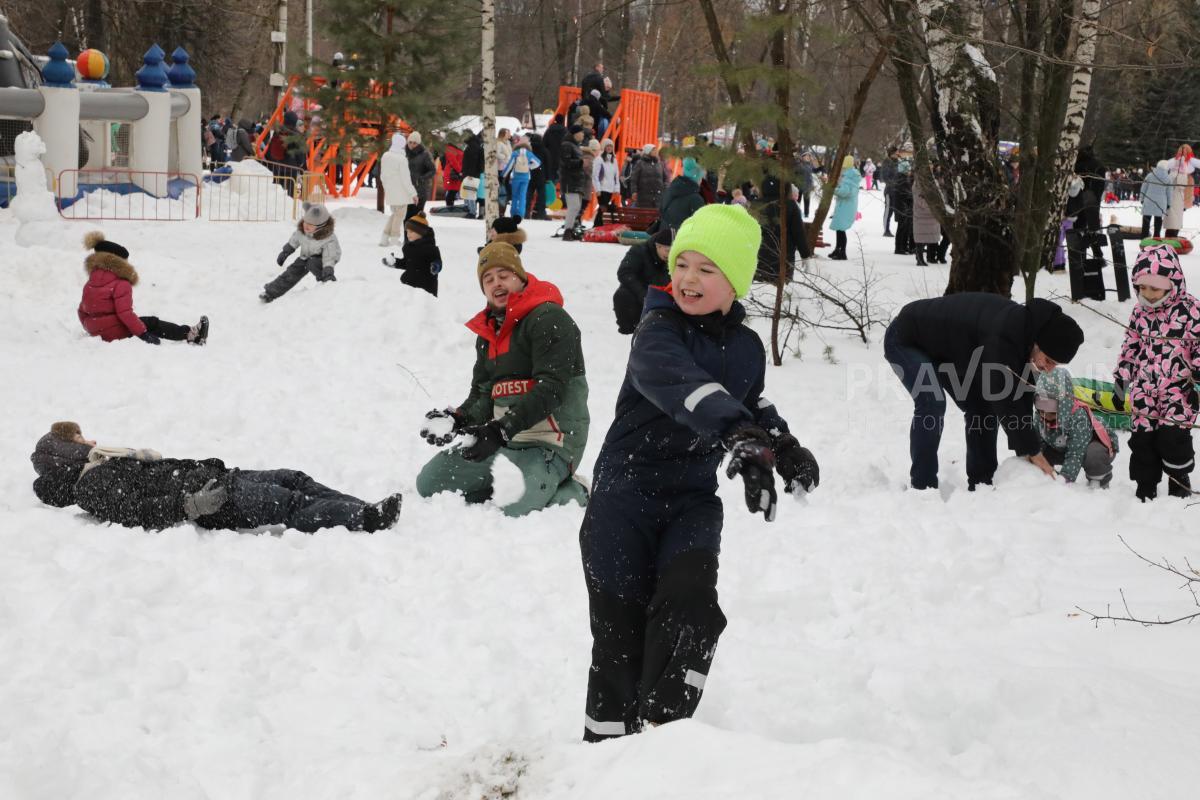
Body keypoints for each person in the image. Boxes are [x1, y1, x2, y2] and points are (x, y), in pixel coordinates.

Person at [578, 204, 819, 742]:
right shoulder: (656, 330)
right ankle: (603, 747)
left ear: (734, 282)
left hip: (691, 499)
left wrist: (781, 445)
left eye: (706, 270)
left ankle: (666, 732)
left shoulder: (748, 347)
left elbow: (747, 404)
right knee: (620, 630)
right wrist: (742, 436)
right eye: (682, 264)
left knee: (691, 607)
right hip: (626, 498)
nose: (687, 278)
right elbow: (686, 387)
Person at [415, 242, 590, 516]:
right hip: (505, 441)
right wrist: (457, 419)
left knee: (514, 506)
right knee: (430, 483)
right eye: (488, 279)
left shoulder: (549, 318)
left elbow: (551, 390)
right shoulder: (488, 332)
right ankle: (524, 486)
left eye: (504, 275)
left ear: (520, 277)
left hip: (551, 443)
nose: (496, 283)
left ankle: (572, 490)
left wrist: (500, 430)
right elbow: (484, 394)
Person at [31, 421, 402, 533]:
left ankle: (360, 506)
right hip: (212, 500)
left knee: (294, 478)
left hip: (213, 477)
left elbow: (162, 470)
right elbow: (136, 511)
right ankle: (366, 520)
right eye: (79, 438)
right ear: (66, 452)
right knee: (287, 502)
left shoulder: (104, 462)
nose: (90, 439)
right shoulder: (90, 487)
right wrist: (190, 505)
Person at [883, 294, 1084, 490]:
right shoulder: (1004, 335)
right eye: (1048, 360)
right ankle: (922, 486)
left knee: (982, 407)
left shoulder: (1027, 335)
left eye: (1054, 365)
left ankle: (982, 485)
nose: (1048, 368)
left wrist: (1026, 450)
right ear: (1038, 344)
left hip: (948, 349)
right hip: (906, 338)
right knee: (932, 402)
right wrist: (1032, 450)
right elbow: (1004, 398)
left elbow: (1020, 396)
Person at [1114, 244, 1200, 500]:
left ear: (1172, 283)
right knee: (1142, 439)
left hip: (1178, 390)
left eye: (1155, 287)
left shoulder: (1191, 310)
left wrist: (1197, 382)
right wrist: (1122, 380)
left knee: (1173, 438)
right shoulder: (1139, 312)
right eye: (1142, 287)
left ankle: (1178, 480)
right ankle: (1145, 483)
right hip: (1144, 388)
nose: (1148, 294)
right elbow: (1130, 346)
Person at [77, 232, 209, 346]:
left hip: (95, 329)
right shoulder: (121, 283)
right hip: (114, 332)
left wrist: (93, 328)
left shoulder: (90, 283)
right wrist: (143, 333)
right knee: (151, 323)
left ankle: (189, 334)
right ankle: (192, 335)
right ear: (120, 263)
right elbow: (125, 314)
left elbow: (82, 311)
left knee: (139, 322)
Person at [1033, 368, 1117, 487]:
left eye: (1051, 413)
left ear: (1063, 406)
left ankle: (1098, 481)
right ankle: (1047, 477)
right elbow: (1037, 444)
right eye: (1041, 410)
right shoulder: (1040, 416)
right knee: (1038, 453)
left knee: (1093, 455)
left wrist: (1064, 480)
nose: (1045, 416)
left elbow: (1075, 454)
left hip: (1093, 445)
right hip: (1062, 446)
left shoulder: (1078, 418)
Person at [261, 205, 341, 303]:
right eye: (305, 222)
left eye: (311, 224)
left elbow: (329, 256)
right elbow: (294, 240)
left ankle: (327, 282)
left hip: (324, 258)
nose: (306, 225)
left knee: (312, 263)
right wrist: (286, 252)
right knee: (292, 271)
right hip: (306, 256)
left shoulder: (328, 239)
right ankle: (271, 292)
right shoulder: (302, 231)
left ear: (321, 226)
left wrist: (328, 270)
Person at [613, 227, 672, 334]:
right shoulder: (639, 251)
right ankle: (629, 326)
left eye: (673, 251)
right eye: (667, 250)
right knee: (623, 295)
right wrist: (643, 293)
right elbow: (624, 272)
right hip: (639, 293)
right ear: (657, 246)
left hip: (661, 294)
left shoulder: (675, 258)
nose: (670, 255)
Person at [754, 175, 811, 283]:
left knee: (762, 288)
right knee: (782, 286)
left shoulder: (756, 205)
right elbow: (798, 232)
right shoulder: (790, 205)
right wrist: (805, 254)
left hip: (761, 253)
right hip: (785, 255)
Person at [382, 213, 442, 297]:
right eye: (407, 232)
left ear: (421, 232)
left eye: (411, 231)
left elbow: (438, 262)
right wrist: (394, 262)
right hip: (409, 287)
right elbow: (407, 263)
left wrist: (435, 266)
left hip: (425, 288)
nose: (408, 234)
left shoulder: (431, 248)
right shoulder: (408, 247)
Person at [379, 132, 418, 246]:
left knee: (395, 214)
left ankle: (384, 238)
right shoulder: (402, 159)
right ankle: (394, 240)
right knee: (399, 216)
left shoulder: (385, 155)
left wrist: (387, 188)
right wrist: (413, 194)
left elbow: (382, 176)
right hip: (401, 193)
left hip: (390, 191)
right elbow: (406, 179)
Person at [658, 157, 706, 233]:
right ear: (696, 178)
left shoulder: (671, 190)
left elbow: (662, 211)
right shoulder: (695, 199)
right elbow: (700, 224)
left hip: (663, 236)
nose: (701, 181)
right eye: (700, 178)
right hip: (681, 239)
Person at [828, 155, 861, 260]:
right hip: (846, 206)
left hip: (845, 207)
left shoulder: (848, 176)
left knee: (841, 229)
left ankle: (842, 252)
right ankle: (838, 249)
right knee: (839, 229)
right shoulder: (851, 175)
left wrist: (833, 190)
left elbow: (845, 192)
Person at [502, 135, 543, 220]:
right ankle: (521, 214)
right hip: (525, 178)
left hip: (515, 177)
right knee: (522, 196)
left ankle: (513, 213)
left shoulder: (515, 153)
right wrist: (529, 167)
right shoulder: (529, 153)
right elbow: (538, 163)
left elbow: (509, 165)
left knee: (515, 196)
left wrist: (503, 175)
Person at [1163, 145, 1200, 237]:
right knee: (1176, 210)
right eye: (1182, 151)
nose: (1184, 153)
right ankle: (1172, 231)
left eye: (1185, 151)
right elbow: (1165, 166)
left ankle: (1184, 207)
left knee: (1180, 206)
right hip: (1177, 184)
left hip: (1186, 182)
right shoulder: (1175, 161)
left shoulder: (1191, 160)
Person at [559, 125, 588, 241]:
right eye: (582, 133)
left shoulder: (575, 145)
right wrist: (581, 162)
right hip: (570, 180)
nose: (583, 135)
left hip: (577, 180)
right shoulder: (567, 145)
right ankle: (568, 231)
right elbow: (566, 162)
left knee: (576, 207)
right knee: (573, 207)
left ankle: (571, 229)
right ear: (576, 134)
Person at [911, 169, 940, 266]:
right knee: (920, 237)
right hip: (922, 213)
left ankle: (928, 257)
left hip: (928, 213)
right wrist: (932, 207)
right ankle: (920, 258)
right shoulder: (919, 184)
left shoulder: (930, 182)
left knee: (926, 236)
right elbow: (919, 199)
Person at [406, 131, 436, 217]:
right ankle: (406, 231)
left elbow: (432, 170)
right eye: (410, 142)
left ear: (418, 143)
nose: (411, 145)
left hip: (420, 190)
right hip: (408, 189)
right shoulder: (405, 153)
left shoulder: (425, 154)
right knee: (406, 216)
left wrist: (421, 178)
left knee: (416, 217)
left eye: (414, 143)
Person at [592, 138, 621, 226]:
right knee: (603, 208)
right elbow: (595, 175)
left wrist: (617, 189)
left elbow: (616, 176)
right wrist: (597, 189)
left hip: (610, 189)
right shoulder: (599, 159)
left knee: (602, 209)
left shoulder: (614, 160)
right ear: (604, 147)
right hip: (602, 188)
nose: (609, 148)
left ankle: (598, 225)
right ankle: (597, 226)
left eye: (611, 146)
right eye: (607, 146)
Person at [1140, 159, 1171, 239]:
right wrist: (1169, 203)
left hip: (1149, 199)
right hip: (1161, 202)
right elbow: (1169, 193)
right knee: (1158, 219)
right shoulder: (1168, 178)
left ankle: (1144, 237)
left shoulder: (1150, 175)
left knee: (1146, 219)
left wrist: (1142, 198)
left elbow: (1144, 187)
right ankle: (1156, 237)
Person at [630, 144, 668, 209]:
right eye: (653, 150)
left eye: (656, 150)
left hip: (657, 197)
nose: (656, 152)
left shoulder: (659, 164)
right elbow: (634, 179)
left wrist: (664, 188)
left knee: (656, 217)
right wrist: (634, 191)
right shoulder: (640, 163)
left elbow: (665, 178)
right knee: (644, 216)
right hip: (643, 197)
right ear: (648, 151)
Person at [891, 160, 914, 256]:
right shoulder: (902, 179)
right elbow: (905, 194)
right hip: (902, 207)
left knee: (904, 227)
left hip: (902, 207)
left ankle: (903, 246)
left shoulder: (902, 178)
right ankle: (899, 247)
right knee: (902, 227)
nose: (909, 171)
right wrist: (912, 197)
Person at [460, 129, 484, 219]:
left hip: (471, 174)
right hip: (473, 174)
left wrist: (470, 173)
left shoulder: (472, 146)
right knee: (469, 193)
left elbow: (472, 162)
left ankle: (471, 211)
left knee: (469, 193)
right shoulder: (474, 145)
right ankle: (470, 210)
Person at [878, 146, 900, 236]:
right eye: (896, 153)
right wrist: (893, 183)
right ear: (892, 153)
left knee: (895, 210)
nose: (898, 154)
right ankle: (886, 229)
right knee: (888, 210)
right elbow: (884, 177)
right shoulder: (887, 162)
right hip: (889, 191)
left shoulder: (898, 162)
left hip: (897, 191)